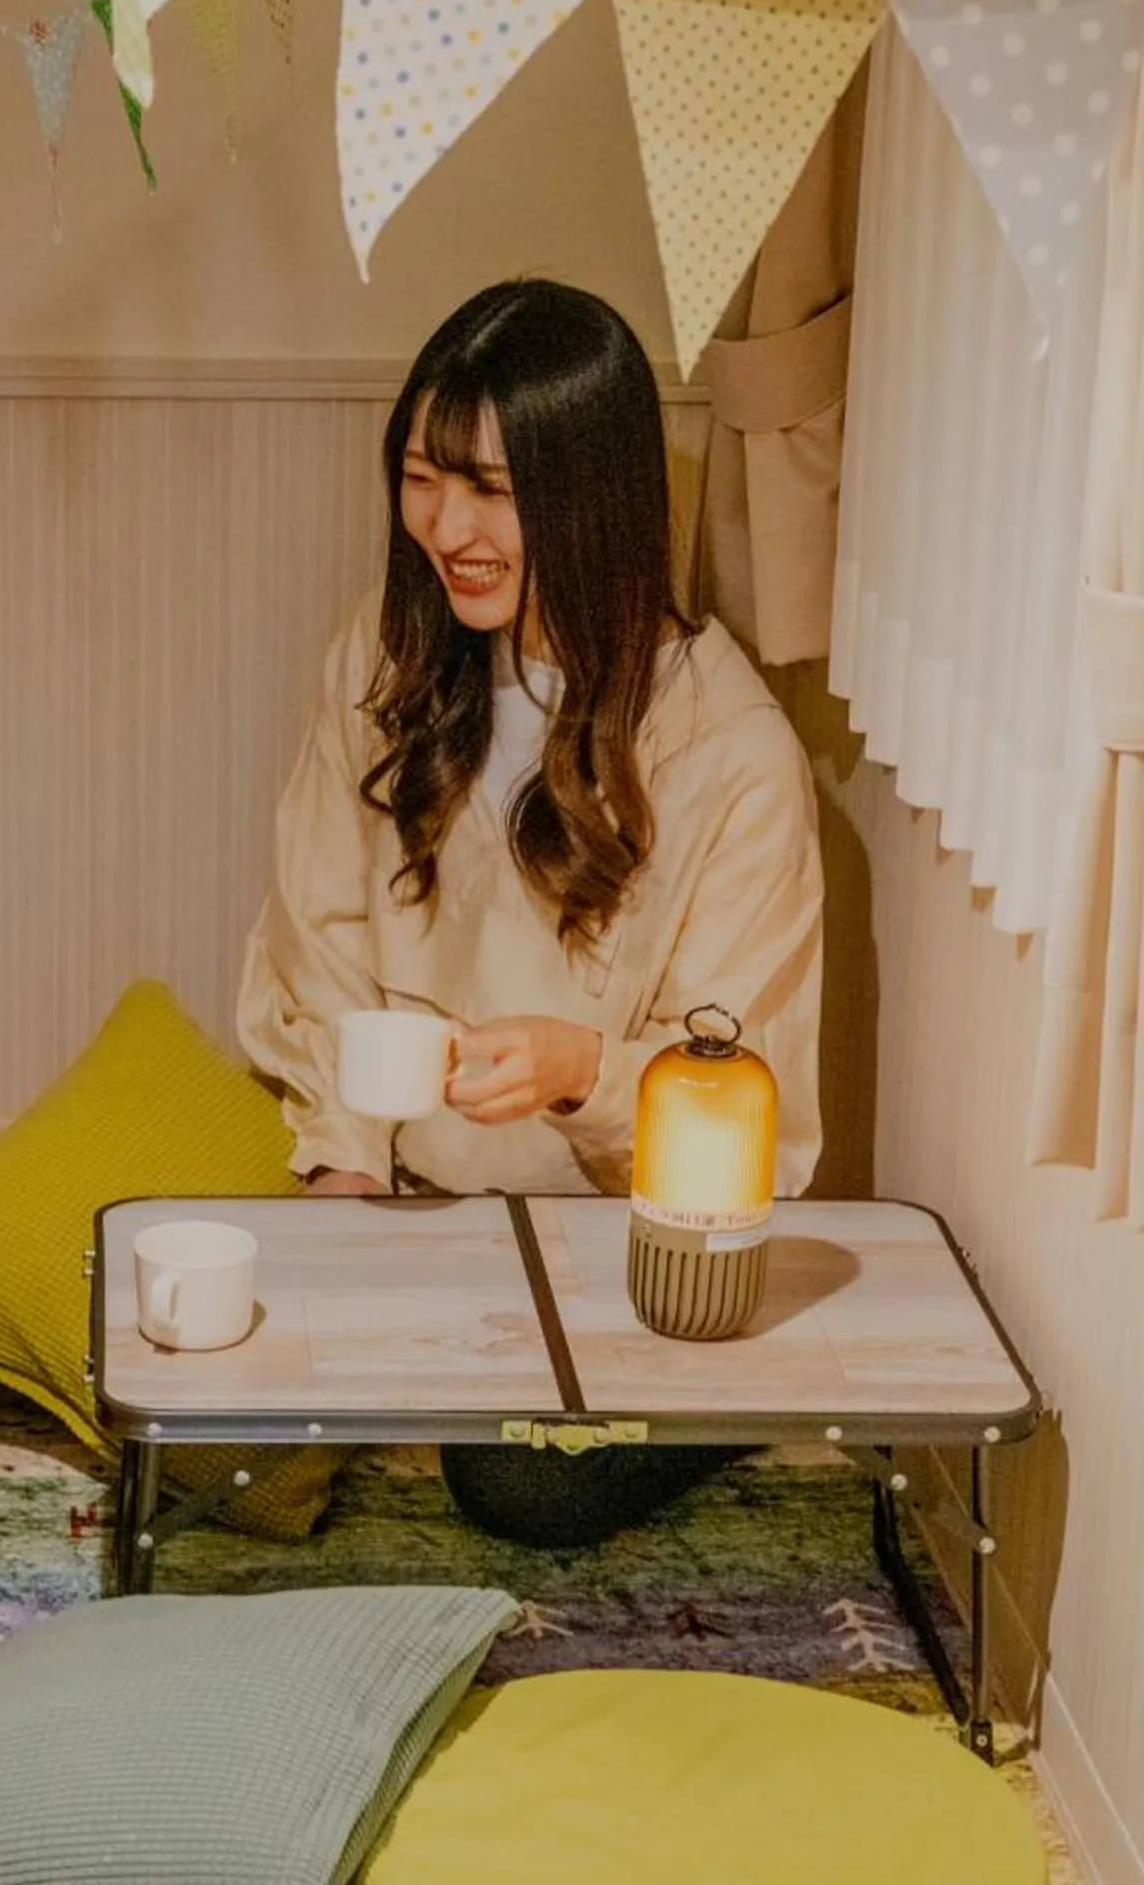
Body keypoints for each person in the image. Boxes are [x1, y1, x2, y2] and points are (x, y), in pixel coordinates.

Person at [238, 278, 826, 1549]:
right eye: (420, 477)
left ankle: (713, 1395)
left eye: (492, 491)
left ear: (589, 495)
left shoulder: (728, 755)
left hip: (614, 1242)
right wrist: (341, 1164)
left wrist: (585, 1072)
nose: (445, 527)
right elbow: (318, 932)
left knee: (525, 1485)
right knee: (193, 1345)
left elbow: (747, 1107)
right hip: (410, 1200)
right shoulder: (385, 657)